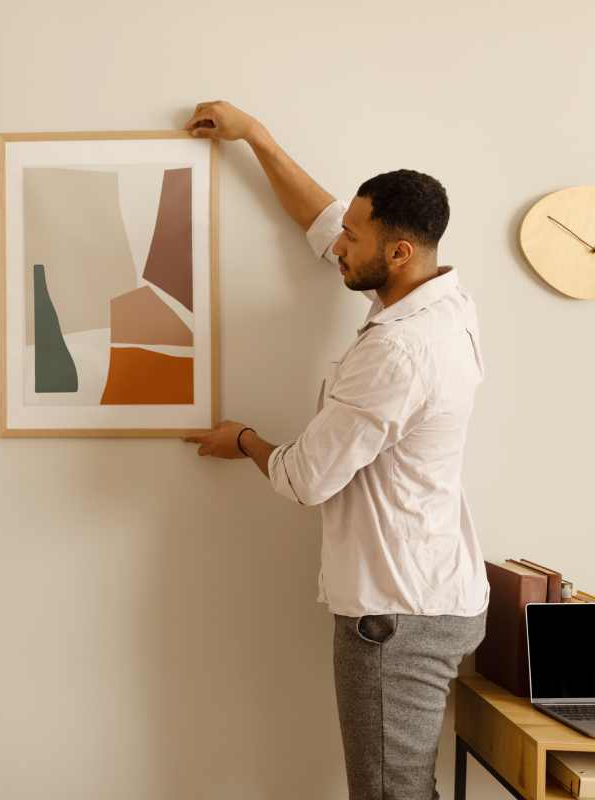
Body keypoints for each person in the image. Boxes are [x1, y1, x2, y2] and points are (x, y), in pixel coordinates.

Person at [182, 101, 490, 800]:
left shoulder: (399, 352)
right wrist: (253, 137)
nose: (339, 247)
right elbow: (327, 222)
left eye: (354, 239)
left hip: (396, 616)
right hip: (428, 593)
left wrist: (244, 440)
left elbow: (304, 478)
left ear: (398, 252)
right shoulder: (440, 297)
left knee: (390, 794)